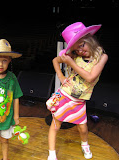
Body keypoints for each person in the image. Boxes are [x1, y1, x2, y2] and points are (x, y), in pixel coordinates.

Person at [47, 22, 108, 160]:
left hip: (79, 101)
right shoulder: (75, 57)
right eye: (76, 50)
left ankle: (85, 145)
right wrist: (62, 77)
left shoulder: (102, 57)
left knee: (83, 128)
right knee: (55, 125)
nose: (80, 51)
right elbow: (55, 60)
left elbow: (91, 77)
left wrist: (71, 63)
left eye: (81, 45)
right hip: (64, 95)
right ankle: (51, 155)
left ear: (89, 40)